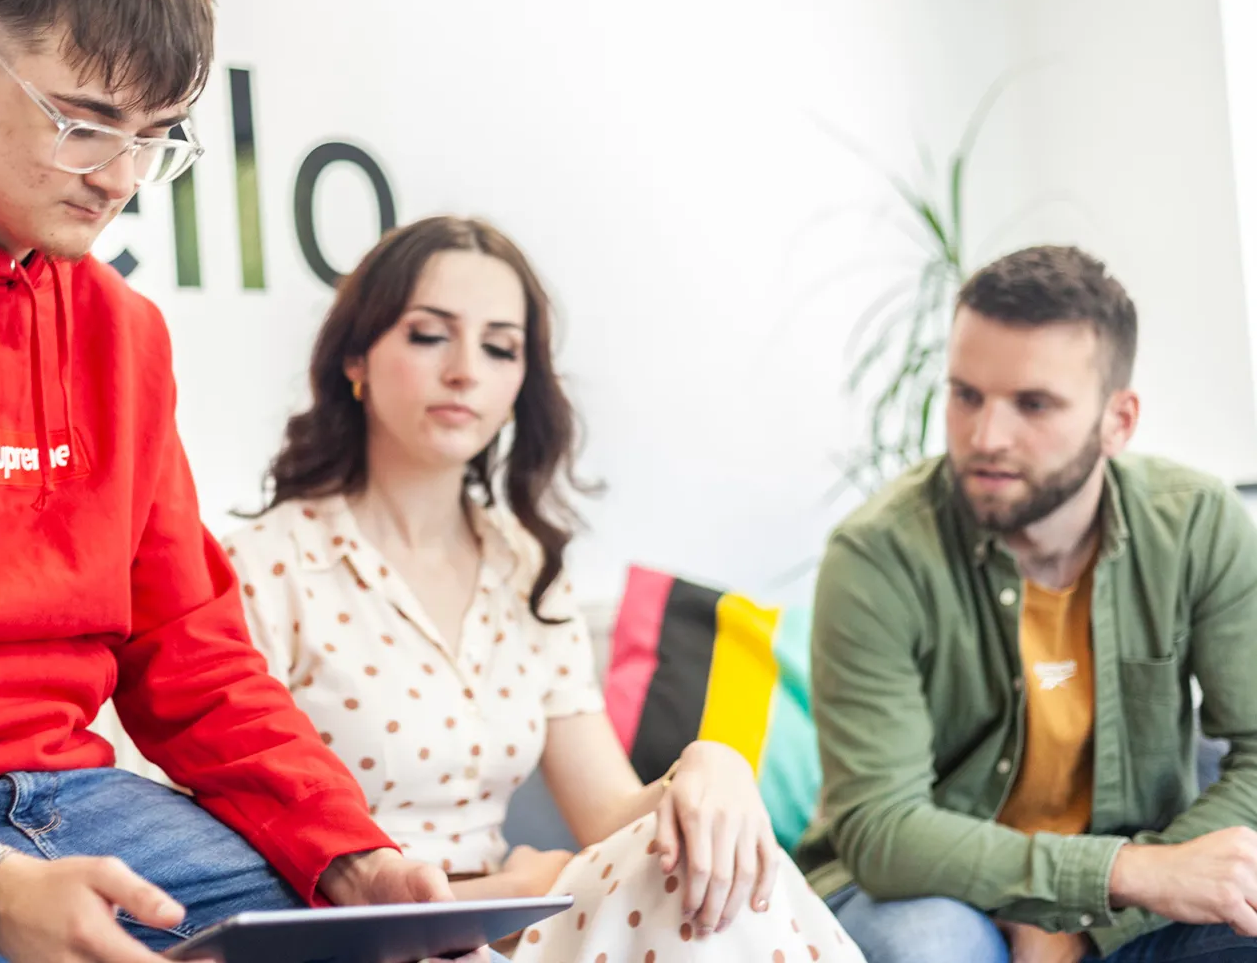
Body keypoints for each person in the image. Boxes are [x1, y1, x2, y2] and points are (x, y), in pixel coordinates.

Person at [0, 0, 487, 961]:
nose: (118, 177)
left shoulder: (123, 332)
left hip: (88, 806)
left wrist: (348, 855)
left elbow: (194, 656)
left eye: (155, 137)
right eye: (84, 122)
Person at [221, 215, 863, 962]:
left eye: (500, 348)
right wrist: (509, 889)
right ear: (355, 357)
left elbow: (612, 815)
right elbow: (237, 875)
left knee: (712, 863)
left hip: (507, 932)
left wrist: (712, 767)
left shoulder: (526, 567)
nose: (466, 370)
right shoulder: (261, 567)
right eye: (430, 335)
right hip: (359, 941)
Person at [796, 245, 1257, 962]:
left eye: (1032, 404)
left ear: (1118, 421)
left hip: (1141, 884)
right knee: (936, 949)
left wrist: (1095, 918)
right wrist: (1115, 876)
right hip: (935, 889)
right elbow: (881, 827)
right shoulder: (876, 558)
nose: (985, 438)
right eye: (965, 394)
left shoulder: (1198, 524)